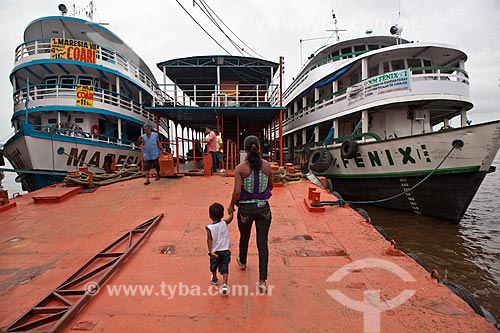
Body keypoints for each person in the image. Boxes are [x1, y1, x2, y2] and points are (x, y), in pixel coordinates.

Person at [228, 135, 274, 293]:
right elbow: (271, 186)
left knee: (244, 236)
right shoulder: (267, 166)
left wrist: (231, 206)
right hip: (264, 209)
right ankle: (262, 281)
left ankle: (242, 262)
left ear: (245, 150)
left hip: (245, 210)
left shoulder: (240, 169)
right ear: (259, 148)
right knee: (262, 243)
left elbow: (237, 192)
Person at [206, 202, 234, 296]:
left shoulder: (209, 228)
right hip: (226, 250)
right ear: (222, 215)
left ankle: (214, 278)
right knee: (225, 266)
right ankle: (225, 284)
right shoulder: (224, 223)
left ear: (210, 215)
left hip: (215, 251)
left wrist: (210, 251)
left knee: (214, 265)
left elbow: (209, 239)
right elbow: (230, 219)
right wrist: (231, 211)